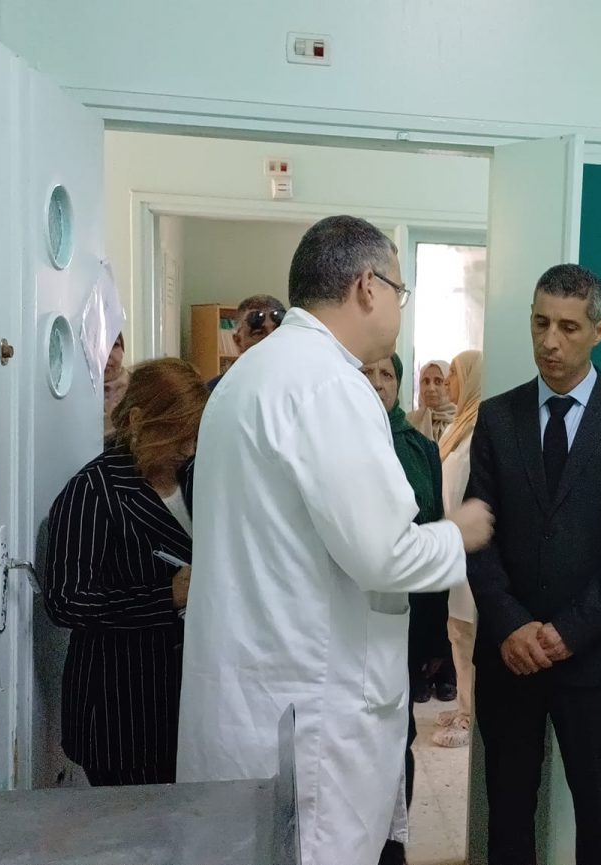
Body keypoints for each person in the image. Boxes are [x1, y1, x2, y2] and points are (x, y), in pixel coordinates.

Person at [176, 215, 495, 865]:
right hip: (310, 708)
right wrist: (456, 534)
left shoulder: (252, 375)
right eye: (400, 290)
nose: (400, 307)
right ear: (367, 287)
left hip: (260, 694)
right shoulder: (328, 385)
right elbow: (385, 553)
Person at [467, 264, 601, 865]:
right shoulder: (497, 418)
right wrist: (511, 625)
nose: (550, 341)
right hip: (509, 656)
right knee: (508, 811)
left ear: (599, 331)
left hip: (593, 657)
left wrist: (566, 632)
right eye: (540, 323)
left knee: (600, 817)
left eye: (568, 327)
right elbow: (478, 535)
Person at [42, 358, 206, 786]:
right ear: (137, 421)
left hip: (183, 697)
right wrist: (165, 597)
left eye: (195, 434)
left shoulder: (195, 478)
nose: (189, 448)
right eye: (179, 434)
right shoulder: (93, 491)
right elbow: (65, 601)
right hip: (119, 708)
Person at [361, 353, 446, 865]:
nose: (378, 384)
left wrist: (436, 640)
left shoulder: (420, 448)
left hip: (411, 620)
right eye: (366, 373)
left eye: (387, 374)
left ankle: (394, 848)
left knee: (401, 736)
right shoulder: (339, 443)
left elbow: (434, 538)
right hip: (353, 622)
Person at [432, 349, 482, 748]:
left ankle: (470, 718)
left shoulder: (479, 429)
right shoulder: (458, 426)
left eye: (453, 374)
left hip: (469, 550)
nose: (448, 382)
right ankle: (464, 706)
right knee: (456, 631)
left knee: (467, 634)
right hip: (450, 546)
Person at [206, 294, 287, 391]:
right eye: (259, 333)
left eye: (278, 332)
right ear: (238, 341)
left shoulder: (300, 384)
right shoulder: (218, 391)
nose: (271, 340)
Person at [407, 359, 455, 442]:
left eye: (438, 381)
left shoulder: (462, 422)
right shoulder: (409, 421)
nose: (431, 388)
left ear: (450, 385)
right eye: (426, 381)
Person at [101, 333, 128, 433]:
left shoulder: (138, 386)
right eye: (98, 346)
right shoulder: (78, 394)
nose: (107, 354)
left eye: (115, 345)